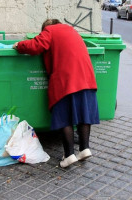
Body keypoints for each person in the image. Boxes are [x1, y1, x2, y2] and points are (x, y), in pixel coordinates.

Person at [13, 19, 100, 168]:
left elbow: (36, 45)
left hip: (66, 80)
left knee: (63, 116)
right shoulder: (71, 31)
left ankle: (69, 155)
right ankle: (84, 148)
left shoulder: (50, 30)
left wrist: (19, 45)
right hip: (86, 77)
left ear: (46, 28)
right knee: (84, 113)